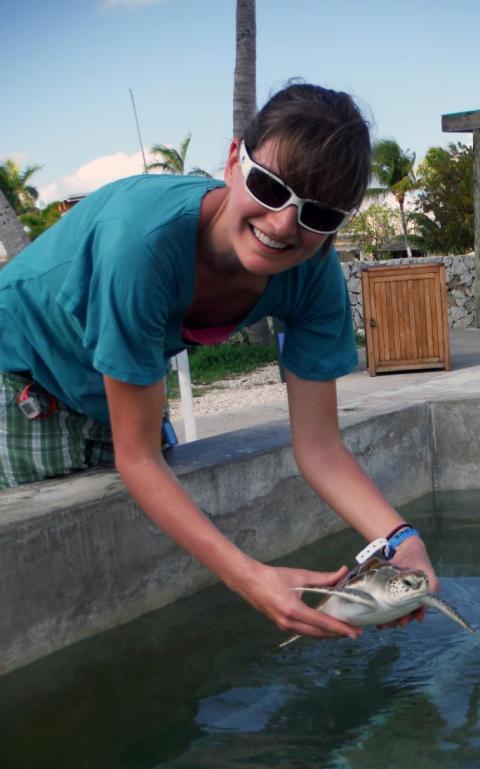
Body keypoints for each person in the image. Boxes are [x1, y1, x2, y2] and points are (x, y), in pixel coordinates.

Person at [0, 81, 437, 641]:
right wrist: (249, 577)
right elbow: (140, 462)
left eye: (319, 214)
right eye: (269, 186)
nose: (283, 224)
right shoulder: (142, 243)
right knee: (56, 589)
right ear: (234, 160)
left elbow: (322, 447)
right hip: (26, 373)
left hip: (112, 383)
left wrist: (404, 540)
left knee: (150, 556)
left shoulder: (314, 276)